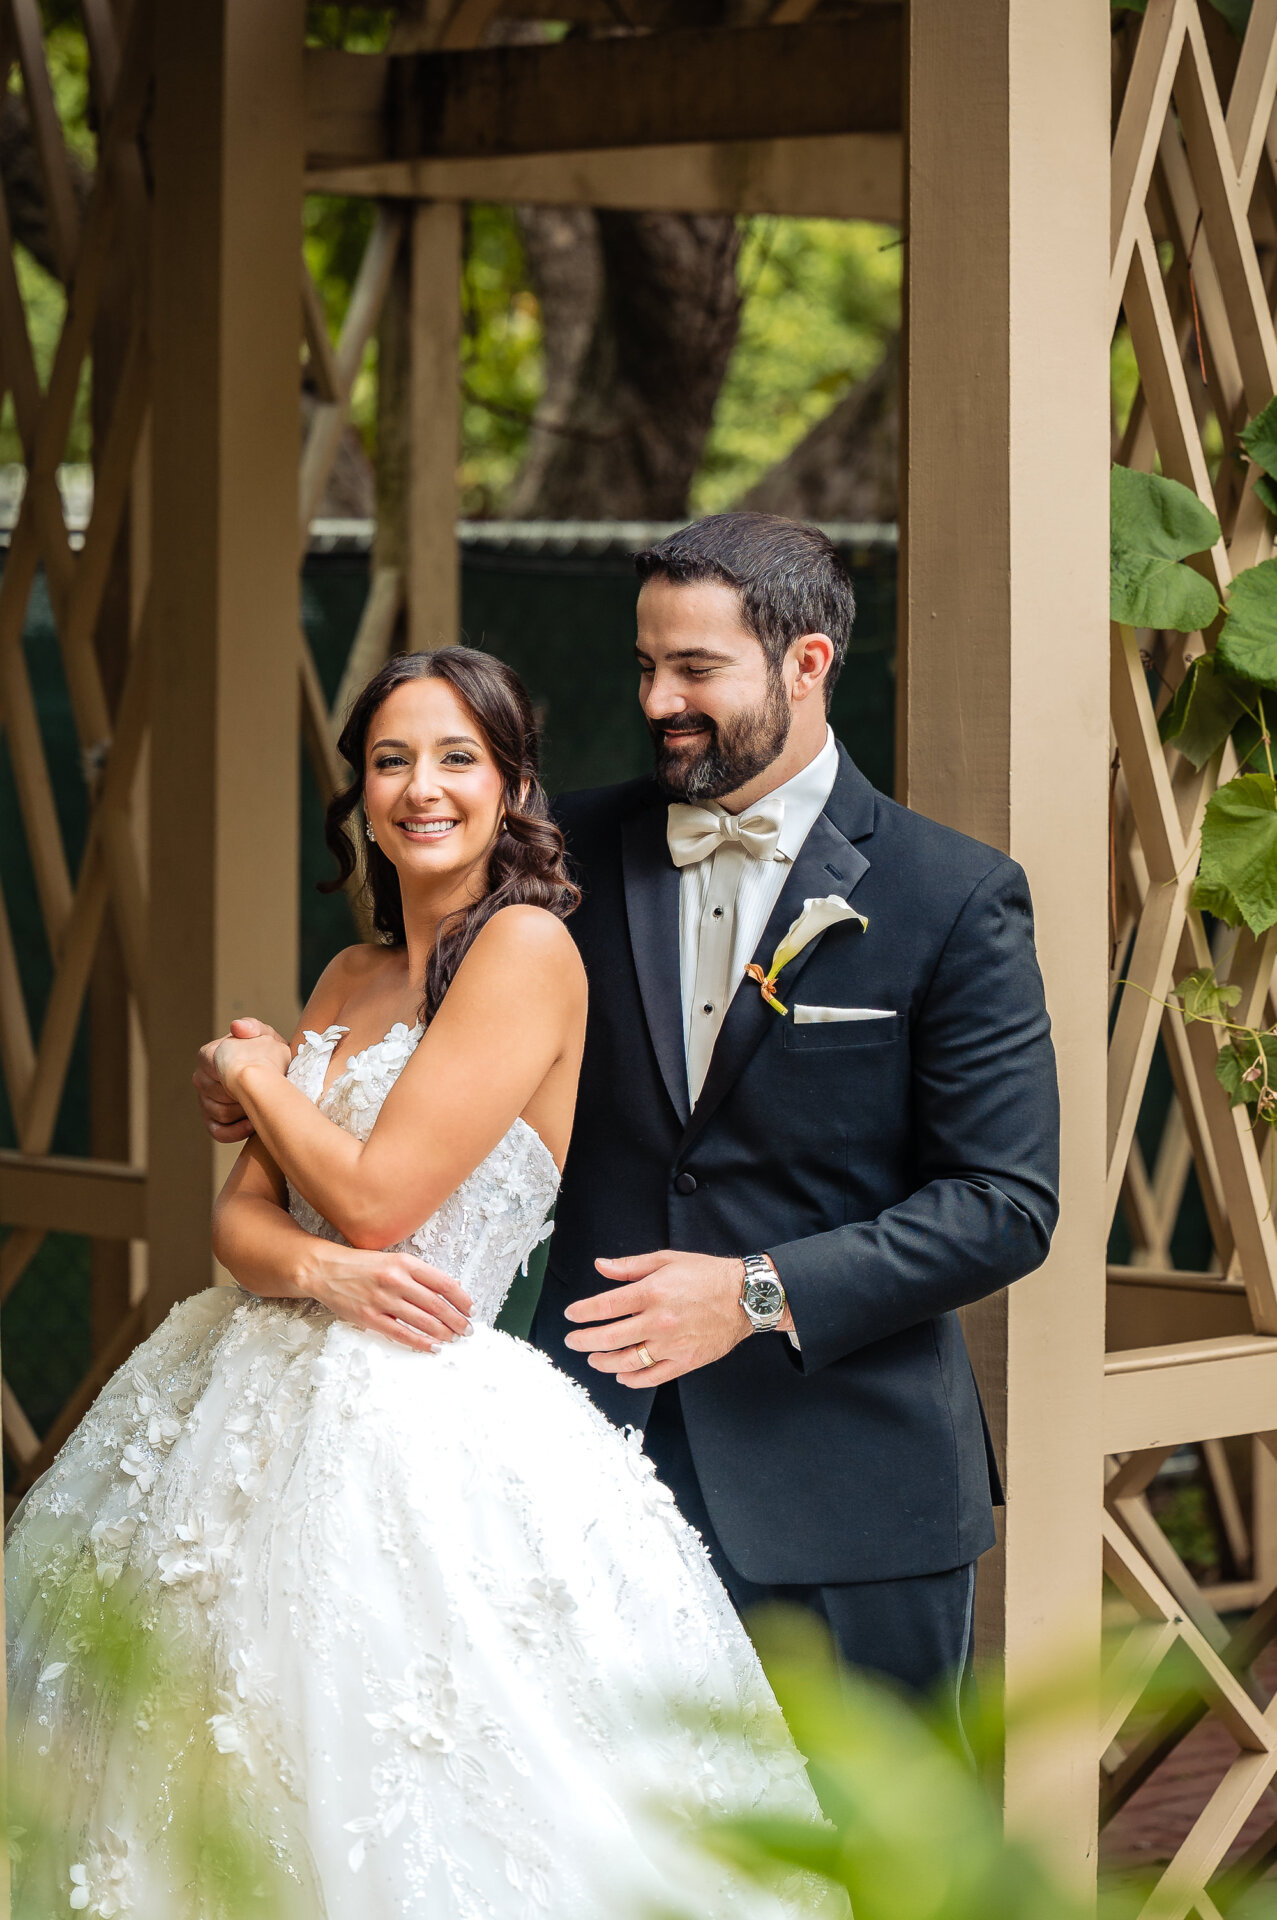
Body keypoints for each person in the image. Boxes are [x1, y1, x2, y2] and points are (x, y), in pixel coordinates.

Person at [6, 648, 826, 1920]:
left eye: (456, 758)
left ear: (509, 786)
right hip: (242, 1395)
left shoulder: (527, 952)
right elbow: (242, 1225)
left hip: (422, 1422)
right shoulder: (346, 977)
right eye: (391, 761)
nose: (420, 789)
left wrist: (253, 1072)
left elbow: (383, 1195)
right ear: (360, 795)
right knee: (202, 1736)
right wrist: (323, 1267)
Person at [196, 512, 1061, 1705]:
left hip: (847, 1486)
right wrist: (264, 1070)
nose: (658, 701)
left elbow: (1002, 1204)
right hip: (579, 1466)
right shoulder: (553, 856)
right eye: (645, 667)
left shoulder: (953, 896)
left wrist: (756, 1292)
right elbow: (406, 1025)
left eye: (694, 669)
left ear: (805, 663)